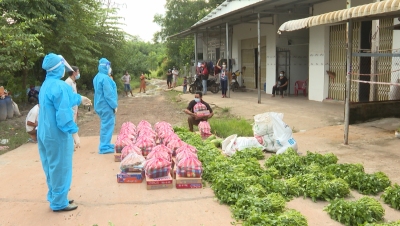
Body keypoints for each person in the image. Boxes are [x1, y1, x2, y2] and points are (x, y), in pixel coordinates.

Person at [38, 53, 92, 212]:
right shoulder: (60, 86)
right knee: (61, 167)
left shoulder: (47, 84)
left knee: (51, 167)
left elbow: (65, 98)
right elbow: (63, 114)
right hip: (57, 134)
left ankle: (56, 196)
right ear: (59, 68)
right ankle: (59, 202)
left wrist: (80, 98)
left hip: (44, 132)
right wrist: (74, 133)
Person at [93, 58, 118, 154]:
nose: (110, 69)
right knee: (107, 125)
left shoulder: (97, 77)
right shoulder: (105, 78)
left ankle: (106, 143)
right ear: (106, 67)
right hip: (106, 105)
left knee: (105, 124)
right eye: (109, 67)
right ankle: (104, 146)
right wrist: (114, 105)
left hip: (100, 104)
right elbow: (109, 94)